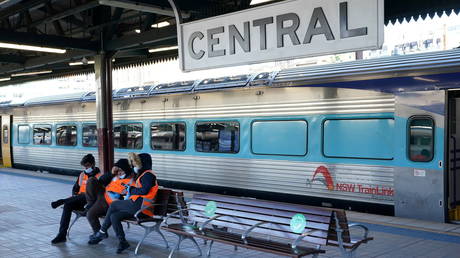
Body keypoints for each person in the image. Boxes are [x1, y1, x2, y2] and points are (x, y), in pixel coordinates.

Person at [89, 153, 158, 254]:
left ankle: (102, 232)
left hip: (142, 207)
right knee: (114, 216)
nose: (134, 167)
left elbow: (144, 191)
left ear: (142, 163)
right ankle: (123, 242)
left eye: (135, 164)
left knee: (114, 205)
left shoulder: (148, 175)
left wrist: (131, 189)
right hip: (137, 206)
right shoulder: (144, 174)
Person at [50, 154, 101, 244]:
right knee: (68, 205)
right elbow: (75, 189)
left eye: (88, 166)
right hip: (80, 199)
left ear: (93, 164)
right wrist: (74, 196)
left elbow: (99, 192)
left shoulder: (99, 175)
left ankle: (62, 201)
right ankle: (61, 235)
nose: (86, 168)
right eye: (84, 166)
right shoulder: (82, 174)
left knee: (84, 195)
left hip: (91, 201)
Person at [84, 158, 134, 240]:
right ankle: (91, 204)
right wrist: (111, 173)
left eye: (121, 170)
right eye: (118, 171)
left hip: (112, 204)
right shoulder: (114, 176)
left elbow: (127, 197)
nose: (119, 173)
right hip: (102, 197)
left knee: (90, 214)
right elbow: (101, 180)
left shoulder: (131, 180)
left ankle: (98, 235)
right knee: (91, 180)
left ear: (126, 170)